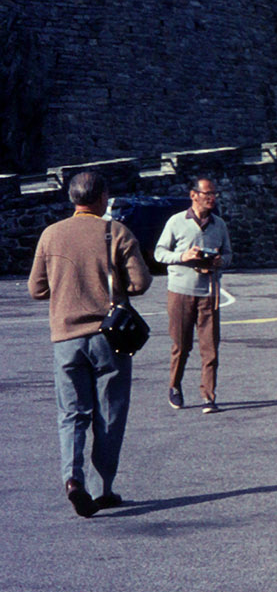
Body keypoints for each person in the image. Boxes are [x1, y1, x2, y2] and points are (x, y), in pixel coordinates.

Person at [29, 171, 151, 517]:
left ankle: (72, 478)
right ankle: (103, 489)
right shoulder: (116, 232)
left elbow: (36, 289)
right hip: (108, 336)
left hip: (65, 338)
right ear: (102, 198)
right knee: (109, 411)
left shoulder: (50, 235)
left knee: (72, 413)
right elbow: (141, 283)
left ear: (73, 199)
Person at [154, 177, 232, 413]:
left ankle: (208, 396)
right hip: (181, 291)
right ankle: (174, 387)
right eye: (208, 193)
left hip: (209, 291)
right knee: (181, 345)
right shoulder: (176, 222)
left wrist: (220, 260)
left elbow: (228, 254)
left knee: (210, 348)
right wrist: (183, 257)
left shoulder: (219, 225)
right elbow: (159, 253)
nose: (212, 198)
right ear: (193, 195)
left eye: (214, 194)